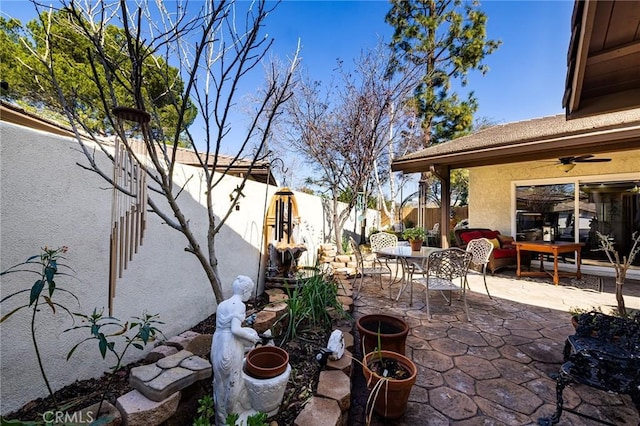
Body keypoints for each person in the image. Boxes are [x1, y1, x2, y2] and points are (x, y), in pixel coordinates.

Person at [211, 275, 260, 425]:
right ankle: (232, 416)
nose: (250, 295)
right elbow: (235, 330)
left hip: (218, 342)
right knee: (233, 381)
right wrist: (252, 339)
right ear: (245, 291)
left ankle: (220, 417)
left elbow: (223, 327)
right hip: (230, 346)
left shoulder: (223, 304)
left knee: (218, 381)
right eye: (250, 291)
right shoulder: (239, 305)